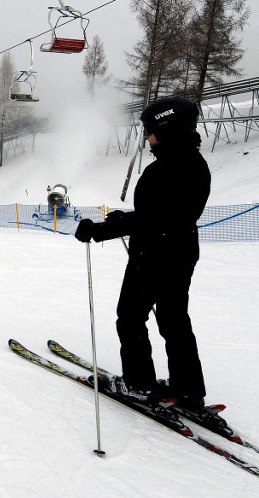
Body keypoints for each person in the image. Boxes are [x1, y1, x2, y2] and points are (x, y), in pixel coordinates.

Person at [74, 96, 211, 412]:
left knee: (131, 317)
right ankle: (188, 389)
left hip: (155, 255)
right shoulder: (191, 162)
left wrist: (99, 230)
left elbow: (156, 218)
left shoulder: (169, 167)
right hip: (179, 251)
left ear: (166, 127)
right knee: (174, 319)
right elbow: (167, 214)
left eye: (150, 130)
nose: (148, 137)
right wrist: (125, 219)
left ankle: (138, 384)